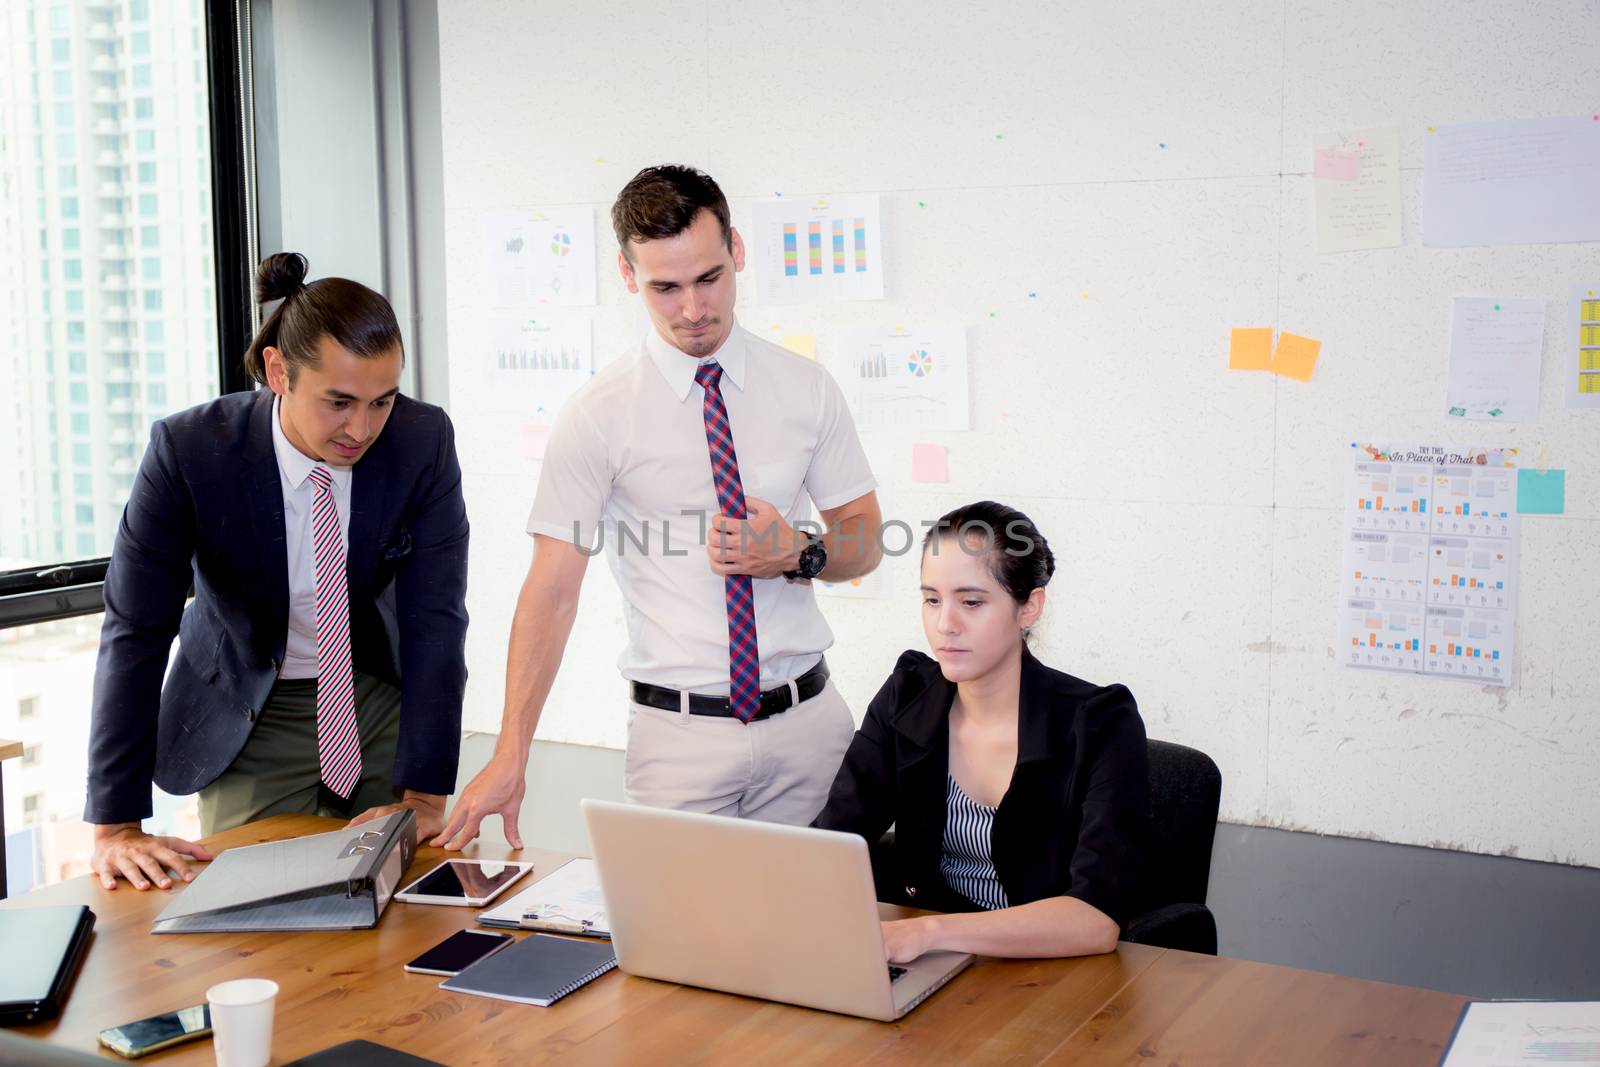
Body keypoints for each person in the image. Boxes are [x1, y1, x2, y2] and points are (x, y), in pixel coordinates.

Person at [437, 165, 882, 847]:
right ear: (627, 275)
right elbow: (552, 590)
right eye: (664, 288)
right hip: (678, 743)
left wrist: (799, 552)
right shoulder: (597, 414)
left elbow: (867, 539)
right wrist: (511, 750)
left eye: (708, 278)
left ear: (736, 249)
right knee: (680, 952)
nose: (693, 309)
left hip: (810, 728)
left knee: (816, 947)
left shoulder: (806, 387)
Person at [84, 253, 470, 891]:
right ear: (277, 372)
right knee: (249, 910)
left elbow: (436, 618)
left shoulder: (421, 441)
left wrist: (425, 797)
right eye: (339, 402)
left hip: (372, 694)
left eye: (382, 401)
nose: (362, 429)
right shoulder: (190, 451)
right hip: (247, 705)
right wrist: (115, 825)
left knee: (397, 907)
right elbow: (135, 627)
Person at [813, 501, 1151, 962]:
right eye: (932, 599)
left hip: (1060, 975)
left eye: (971, 602)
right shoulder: (909, 696)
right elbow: (834, 841)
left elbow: (1094, 920)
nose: (944, 623)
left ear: (1028, 607)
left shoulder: (1102, 722)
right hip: (942, 965)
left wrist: (930, 933)